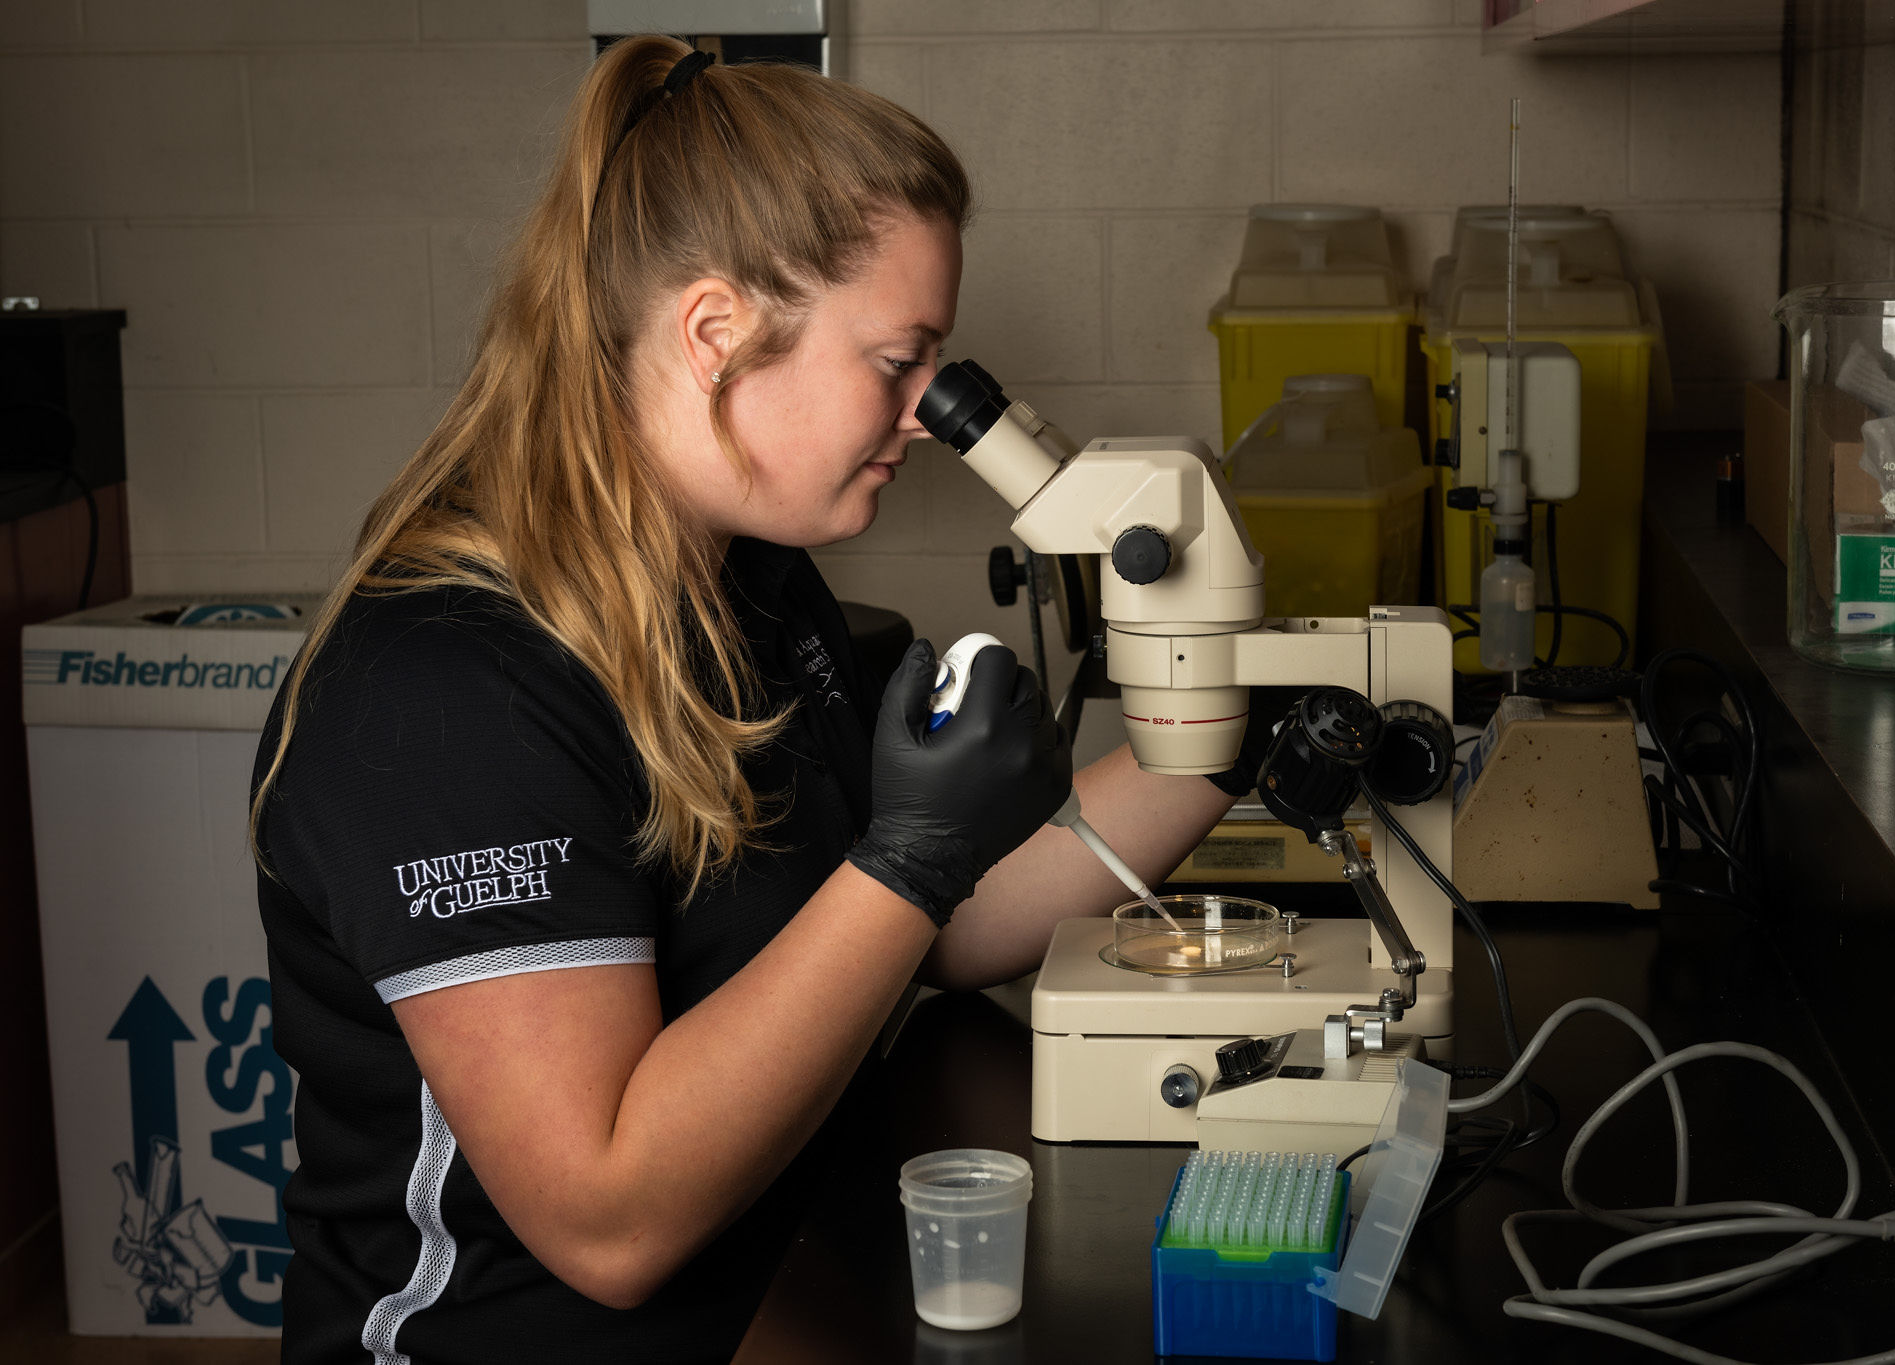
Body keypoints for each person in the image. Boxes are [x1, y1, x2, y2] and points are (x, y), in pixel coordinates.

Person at [250, 36, 1243, 1365]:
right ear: (714, 330)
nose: (923, 418)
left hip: (764, 1293)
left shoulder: (751, 586)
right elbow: (608, 1217)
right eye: (900, 362)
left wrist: (1222, 746)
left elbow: (911, 935)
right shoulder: (442, 690)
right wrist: (910, 853)